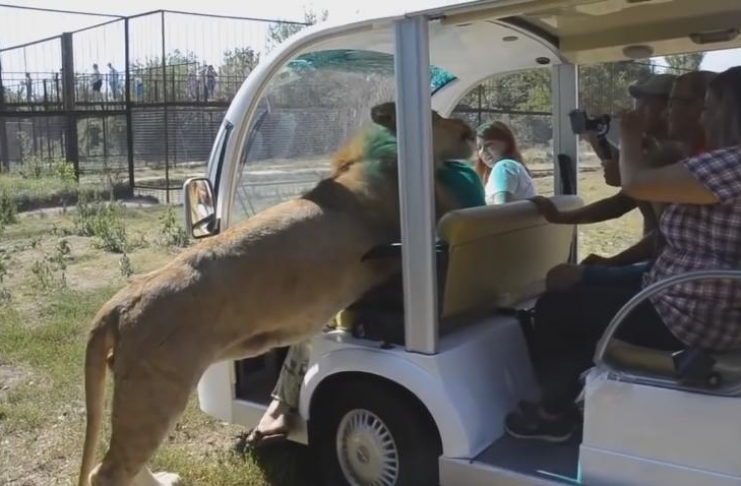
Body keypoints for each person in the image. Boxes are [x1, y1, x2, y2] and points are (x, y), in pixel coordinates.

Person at [502, 66, 741, 443]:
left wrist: (628, 137)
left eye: (709, 108)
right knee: (573, 297)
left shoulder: (730, 164)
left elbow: (633, 185)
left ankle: (553, 414)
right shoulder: (710, 161)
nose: (703, 116)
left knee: (555, 307)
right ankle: (571, 397)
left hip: (691, 312)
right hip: (681, 292)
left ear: (730, 111)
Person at [245, 134, 487, 449]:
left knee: (317, 310)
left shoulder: (420, 178)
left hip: (430, 294)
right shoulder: (467, 174)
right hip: (470, 285)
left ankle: (280, 406)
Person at [534, 71, 715, 291]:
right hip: (664, 266)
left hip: (667, 273)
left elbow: (662, 232)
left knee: (560, 278)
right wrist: (561, 217)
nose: (636, 109)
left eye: (645, 102)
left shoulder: (671, 155)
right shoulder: (660, 151)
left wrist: (613, 262)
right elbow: (623, 201)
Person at [475, 121, 537, 204]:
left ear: (507, 143)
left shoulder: (504, 167)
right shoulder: (513, 167)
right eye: (479, 148)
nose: (483, 151)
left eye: (489, 145)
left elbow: (502, 212)